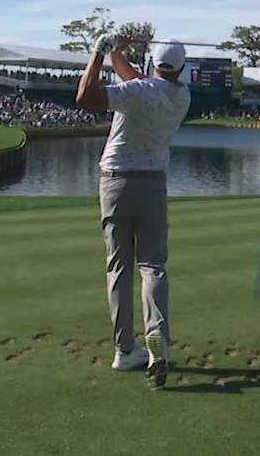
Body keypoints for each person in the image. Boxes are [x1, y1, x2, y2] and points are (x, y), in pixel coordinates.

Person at [75, 35, 190, 389]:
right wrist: (115, 52)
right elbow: (136, 79)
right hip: (153, 184)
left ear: (153, 63)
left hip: (116, 182)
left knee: (119, 266)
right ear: (181, 68)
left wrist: (97, 52)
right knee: (153, 265)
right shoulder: (181, 96)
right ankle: (158, 341)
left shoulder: (137, 92)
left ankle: (125, 349)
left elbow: (85, 96)